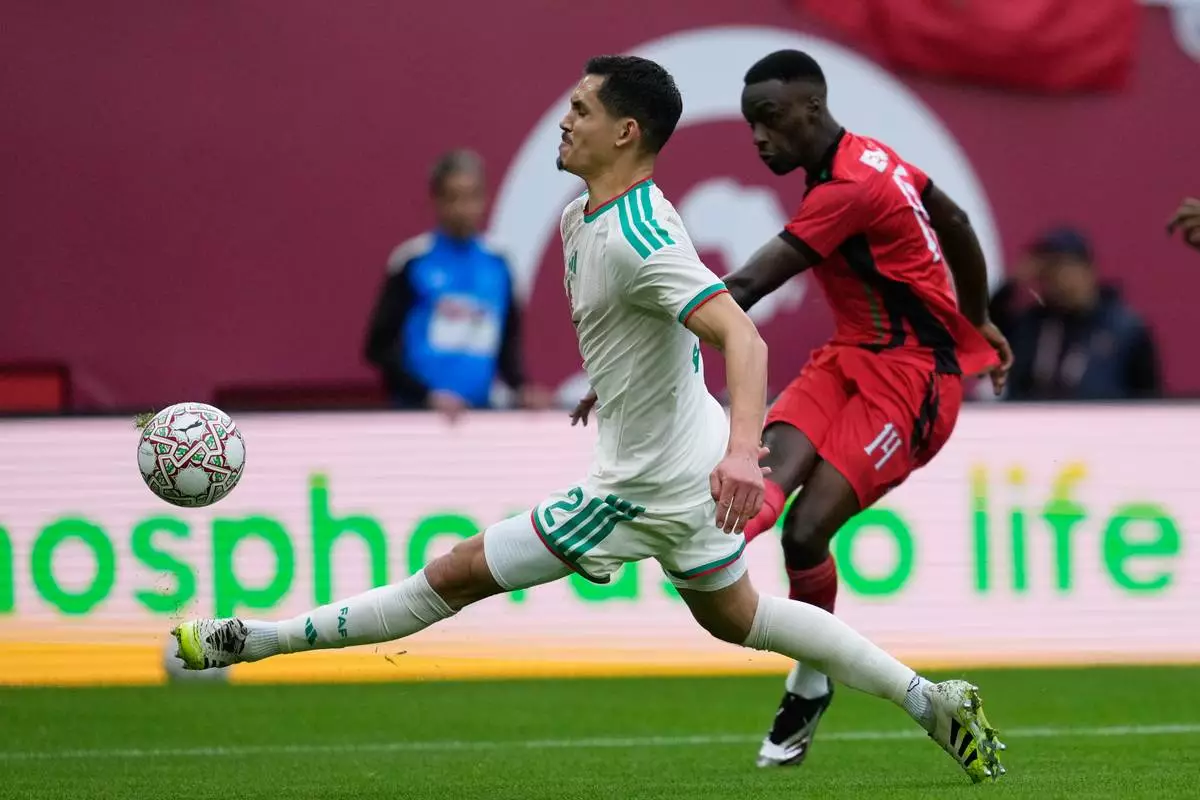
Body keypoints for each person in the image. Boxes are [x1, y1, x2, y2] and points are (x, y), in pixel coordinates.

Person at [171, 55, 1004, 784]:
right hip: (679, 452)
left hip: (646, 483)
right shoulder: (584, 216)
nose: (564, 122)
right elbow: (654, 327)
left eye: (581, 111)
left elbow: (742, 338)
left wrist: (745, 455)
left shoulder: (641, 236)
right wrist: (621, 383)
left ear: (624, 133)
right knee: (741, 618)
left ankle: (249, 642)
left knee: (454, 574)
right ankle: (930, 699)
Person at [712, 50, 1013, 769]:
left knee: (805, 532)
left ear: (811, 109)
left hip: (913, 385)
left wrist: (643, 339)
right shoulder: (871, 156)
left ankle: (811, 682)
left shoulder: (846, 188)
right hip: (846, 358)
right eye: (752, 122)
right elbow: (958, 221)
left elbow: (750, 283)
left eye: (770, 119)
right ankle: (814, 681)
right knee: (753, 499)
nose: (758, 137)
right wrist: (979, 315)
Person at [363, 149, 547, 419]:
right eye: (453, 197)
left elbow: (507, 344)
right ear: (436, 199)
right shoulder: (412, 261)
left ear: (485, 198)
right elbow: (378, 347)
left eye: (472, 196)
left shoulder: (499, 265)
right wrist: (426, 396)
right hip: (417, 418)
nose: (463, 208)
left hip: (479, 419)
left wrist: (522, 387)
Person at [1005, 228, 1160, 401]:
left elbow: (1150, 401)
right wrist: (1012, 284)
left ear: (1087, 268)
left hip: (1104, 423)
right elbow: (988, 336)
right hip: (1034, 423)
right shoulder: (1033, 325)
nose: (1054, 276)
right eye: (1047, 268)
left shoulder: (1126, 330)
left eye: (1061, 265)